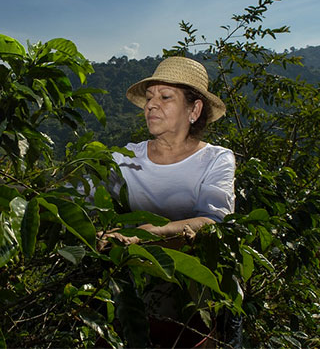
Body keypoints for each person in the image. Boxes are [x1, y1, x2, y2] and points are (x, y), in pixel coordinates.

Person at [99, 56, 235, 247]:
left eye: (165, 97)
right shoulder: (126, 157)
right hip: (131, 272)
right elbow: (80, 193)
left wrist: (146, 232)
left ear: (194, 110)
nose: (150, 105)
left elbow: (213, 220)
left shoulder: (215, 159)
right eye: (148, 98)